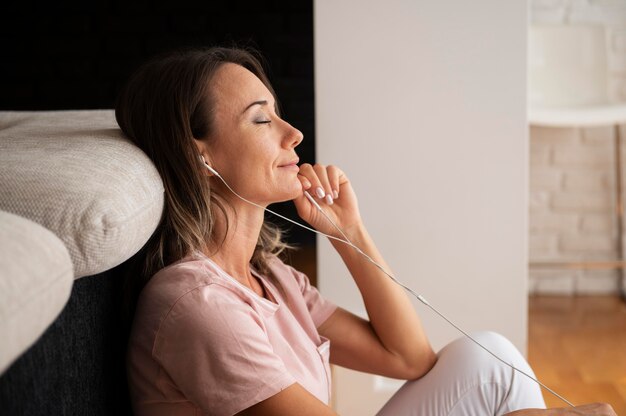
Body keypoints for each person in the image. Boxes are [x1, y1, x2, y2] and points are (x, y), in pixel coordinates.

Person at [115, 47, 616, 416]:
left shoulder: (270, 279)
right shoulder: (198, 305)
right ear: (199, 154)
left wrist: (348, 232)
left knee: (488, 359)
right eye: (261, 120)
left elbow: (409, 357)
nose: (294, 135)